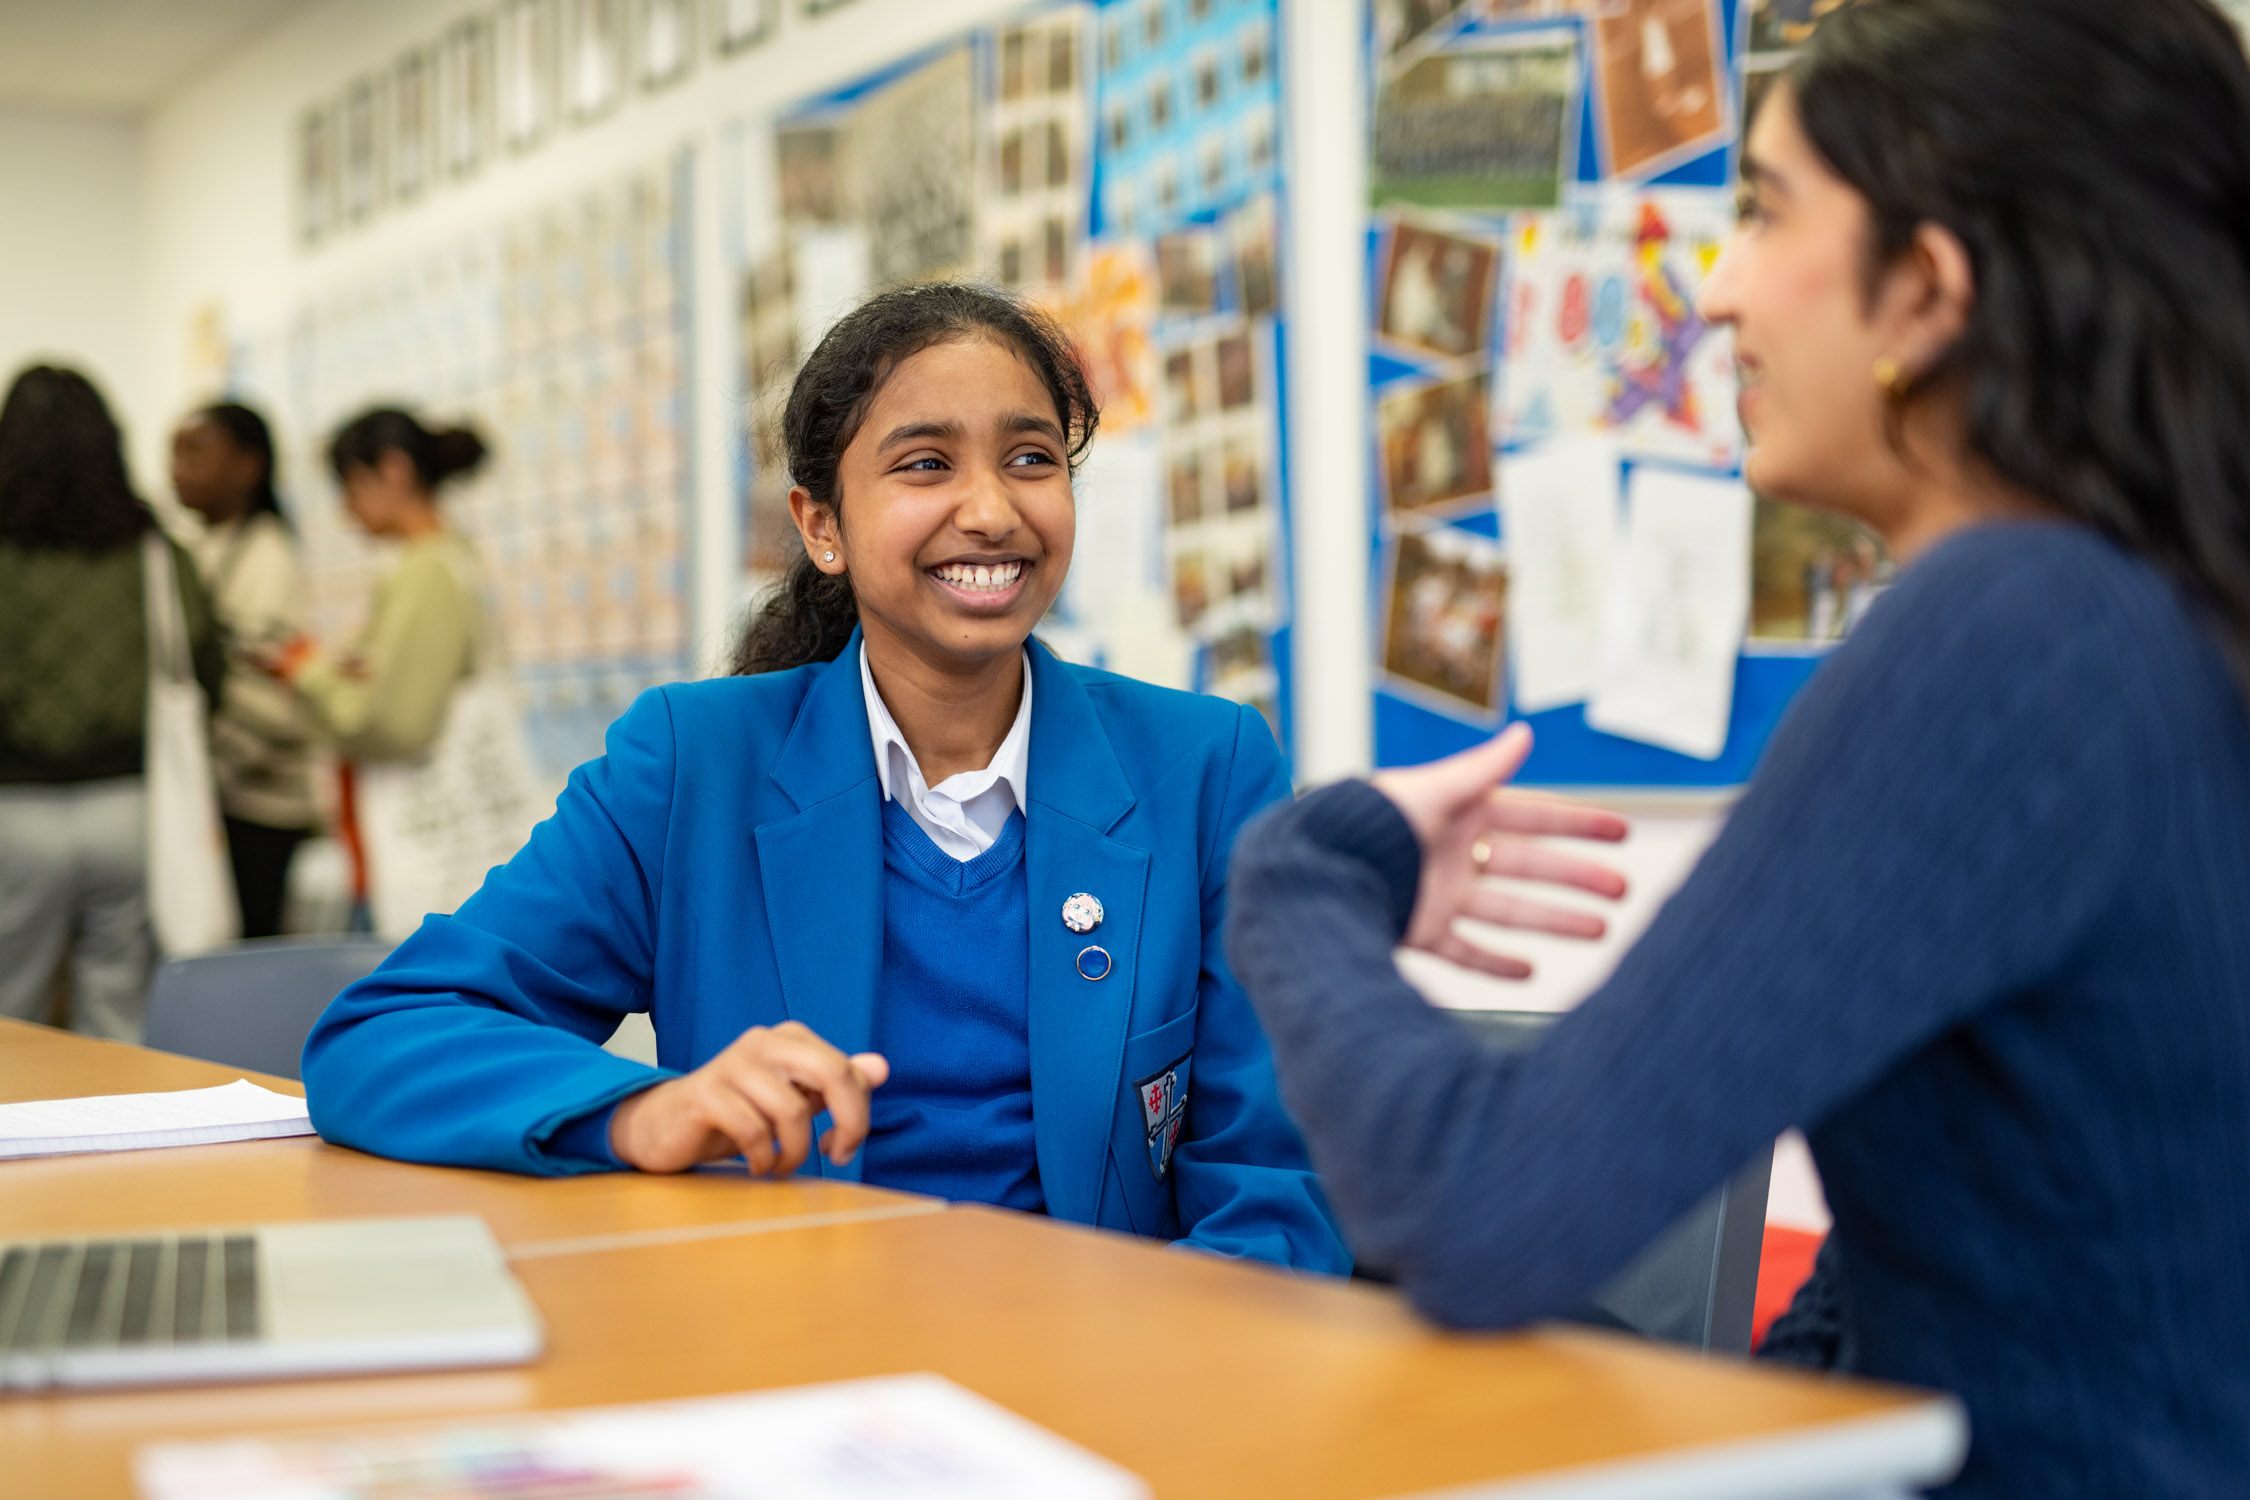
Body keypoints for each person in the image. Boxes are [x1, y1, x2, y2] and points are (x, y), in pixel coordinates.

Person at [1226, 1, 2250, 1495]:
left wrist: (1304, 866)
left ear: (1924, 290)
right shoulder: (2154, 622)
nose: (1713, 295)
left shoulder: (2012, 628)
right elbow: (1981, 1240)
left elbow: (1482, 1213)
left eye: (1763, 213)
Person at [302, 283, 1348, 1272]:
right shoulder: (692, 766)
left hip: (1105, 1383)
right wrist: (639, 1111)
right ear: (821, 527)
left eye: (1031, 458)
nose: (990, 510)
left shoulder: (1208, 769)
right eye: (926, 464)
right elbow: (387, 1033)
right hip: (792, 1371)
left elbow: (1275, 1183)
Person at [0, 366, 224, 1039]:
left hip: (13, 813)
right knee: (119, 1008)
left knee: (10, 1012)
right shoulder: (155, 551)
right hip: (131, 810)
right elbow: (203, 668)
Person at [265, 408, 492, 761]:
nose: (346, 508)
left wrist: (306, 672)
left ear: (393, 470)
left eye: (349, 485)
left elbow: (390, 726)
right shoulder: (452, 554)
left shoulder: (425, 571)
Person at [171, 402, 318, 939]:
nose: (176, 469)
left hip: (257, 803)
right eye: (174, 453)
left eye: (195, 453)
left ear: (248, 466)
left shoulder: (268, 557)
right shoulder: (195, 548)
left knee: (248, 950)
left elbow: (280, 704)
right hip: (215, 793)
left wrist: (209, 773)